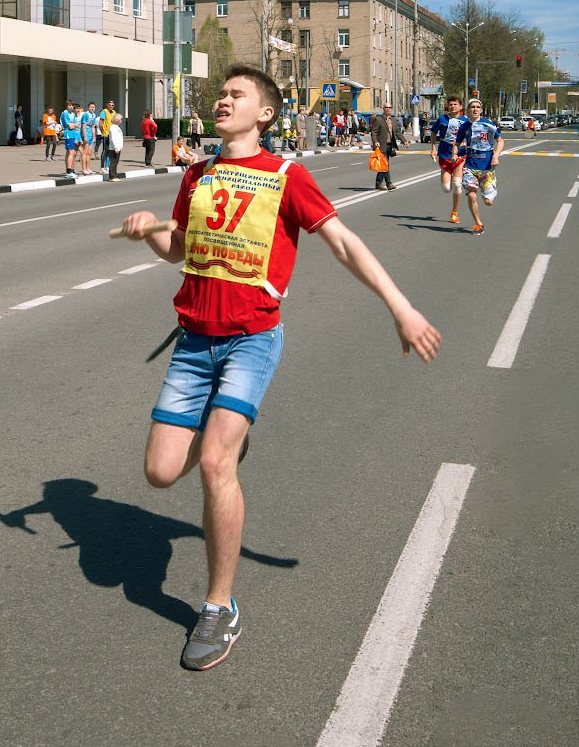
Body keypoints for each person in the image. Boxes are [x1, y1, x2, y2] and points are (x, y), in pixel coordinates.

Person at [117, 65, 440, 671]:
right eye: (221, 93)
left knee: (213, 462)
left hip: (250, 341)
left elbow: (343, 242)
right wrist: (148, 235)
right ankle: (230, 442)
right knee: (160, 473)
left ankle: (219, 608)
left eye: (236, 95)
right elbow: (184, 252)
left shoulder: (287, 177)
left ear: (264, 114)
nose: (222, 99)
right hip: (191, 343)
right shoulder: (197, 175)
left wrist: (401, 308)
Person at [461, 99, 503, 234]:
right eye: (472, 107)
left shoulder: (488, 124)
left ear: (481, 110)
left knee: (488, 202)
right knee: (471, 195)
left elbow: (500, 141)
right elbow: (457, 143)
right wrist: (456, 152)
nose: (475, 109)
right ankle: (478, 224)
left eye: (477, 107)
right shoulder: (465, 126)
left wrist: (496, 155)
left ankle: (490, 192)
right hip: (470, 167)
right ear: (468, 110)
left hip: (486, 168)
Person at [430, 95, 470, 224]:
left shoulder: (466, 121)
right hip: (444, 155)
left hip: (459, 155)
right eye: (450, 104)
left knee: (457, 185)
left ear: (460, 106)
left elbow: (471, 135)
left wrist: (465, 143)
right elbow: (433, 132)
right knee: (446, 189)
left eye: (455, 104)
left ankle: (454, 213)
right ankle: (448, 175)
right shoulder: (442, 119)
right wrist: (433, 148)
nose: (452, 106)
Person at [370, 103, 407, 190]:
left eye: (390, 107)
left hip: (390, 146)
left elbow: (397, 131)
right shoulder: (378, 119)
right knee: (385, 164)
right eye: (386, 107)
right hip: (381, 145)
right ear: (383, 108)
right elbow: (374, 132)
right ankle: (389, 183)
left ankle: (378, 183)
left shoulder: (393, 120)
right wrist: (375, 142)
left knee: (384, 165)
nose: (388, 109)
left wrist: (404, 140)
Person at [60, 101, 81, 177]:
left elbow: (77, 125)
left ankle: (69, 171)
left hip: (73, 134)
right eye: (69, 105)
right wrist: (74, 125)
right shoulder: (65, 113)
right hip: (68, 134)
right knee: (71, 152)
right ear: (66, 106)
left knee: (69, 153)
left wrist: (74, 125)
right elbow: (69, 126)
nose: (71, 107)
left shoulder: (73, 114)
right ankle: (69, 172)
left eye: (72, 105)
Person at [98, 100, 117, 169]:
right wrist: (103, 132)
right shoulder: (104, 112)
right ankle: (102, 167)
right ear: (107, 105)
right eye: (110, 105)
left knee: (110, 151)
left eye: (112, 105)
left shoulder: (114, 112)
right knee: (105, 151)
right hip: (106, 134)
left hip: (112, 134)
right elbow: (100, 123)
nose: (111, 106)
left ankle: (107, 166)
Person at [105, 113, 124, 181]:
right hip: (114, 148)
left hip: (117, 148)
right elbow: (113, 138)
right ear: (117, 120)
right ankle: (112, 176)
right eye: (120, 119)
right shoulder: (113, 127)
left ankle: (114, 175)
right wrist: (116, 147)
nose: (121, 121)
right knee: (113, 162)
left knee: (115, 162)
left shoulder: (116, 127)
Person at [80, 102, 98, 175]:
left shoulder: (94, 115)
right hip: (86, 133)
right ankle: (84, 169)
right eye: (91, 107)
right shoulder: (86, 114)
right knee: (85, 152)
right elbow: (83, 126)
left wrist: (94, 137)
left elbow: (93, 126)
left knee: (89, 153)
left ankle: (88, 168)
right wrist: (85, 137)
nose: (92, 108)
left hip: (90, 134)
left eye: (93, 107)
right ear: (88, 107)